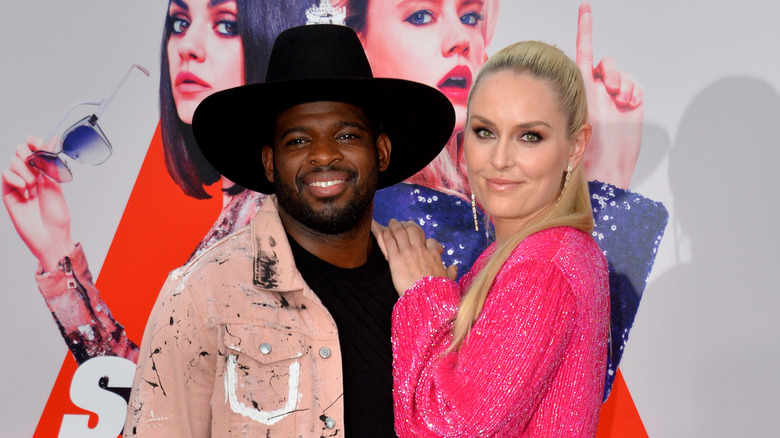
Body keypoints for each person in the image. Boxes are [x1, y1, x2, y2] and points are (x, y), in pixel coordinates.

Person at [124, 24, 454, 437]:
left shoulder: (425, 286)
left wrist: (435, 303)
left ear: (381, 152)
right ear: (268, 163)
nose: (323, 155)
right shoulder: (202, 294)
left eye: (347, 134)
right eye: (298, 141)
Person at [342, 0, 667, 398]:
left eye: (470, 17)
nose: (459, 38)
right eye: (420, 16)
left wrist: (596, 179)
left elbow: (568, 382)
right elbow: (475, 408)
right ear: (357, 42)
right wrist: (602, 183)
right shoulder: (385, 215)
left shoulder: (500, 215)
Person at [2, 0, 310, 364]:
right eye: (179, 23)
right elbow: (159, 396)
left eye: (226, 26)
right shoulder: (246, 216)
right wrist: (56, 248)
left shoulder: (272, 224)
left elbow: (159, 404)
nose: (186, 46)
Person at [376, 40, 609, 436]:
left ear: (575, 147)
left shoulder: (542, 267)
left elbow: (449, 428)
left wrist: (424, 293)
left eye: (529, 136)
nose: (500, 159)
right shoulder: (529, 254)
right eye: (485, 131)